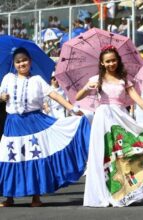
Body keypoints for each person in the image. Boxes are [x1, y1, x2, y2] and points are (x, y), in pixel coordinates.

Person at [79, 45, 143, 207]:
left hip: (120, 117)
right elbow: (78, 96)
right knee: (103, 155)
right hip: (102, 118)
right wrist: (88, 88)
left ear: (118, 60)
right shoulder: (96, 80)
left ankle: (122, 192)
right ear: (101, 63)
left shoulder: (124, 80)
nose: (111, 63)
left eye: (113, 60)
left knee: (125, 153)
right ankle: (103, 194)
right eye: (107, 61)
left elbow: (140, 100)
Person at [0, 47, 89, 207]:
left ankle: (36, 197)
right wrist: (2, 96)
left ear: (30, 62)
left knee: (35, 157)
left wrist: (72, 109)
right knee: (10, 157)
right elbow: (1, 95)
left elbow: (54, 95)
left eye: (24, 60)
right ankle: (9, 197)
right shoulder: (7, 78)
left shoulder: (37, 80)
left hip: (34, 123)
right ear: (14, 64)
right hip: (13, 124)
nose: (22, 64)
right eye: (18, 62)